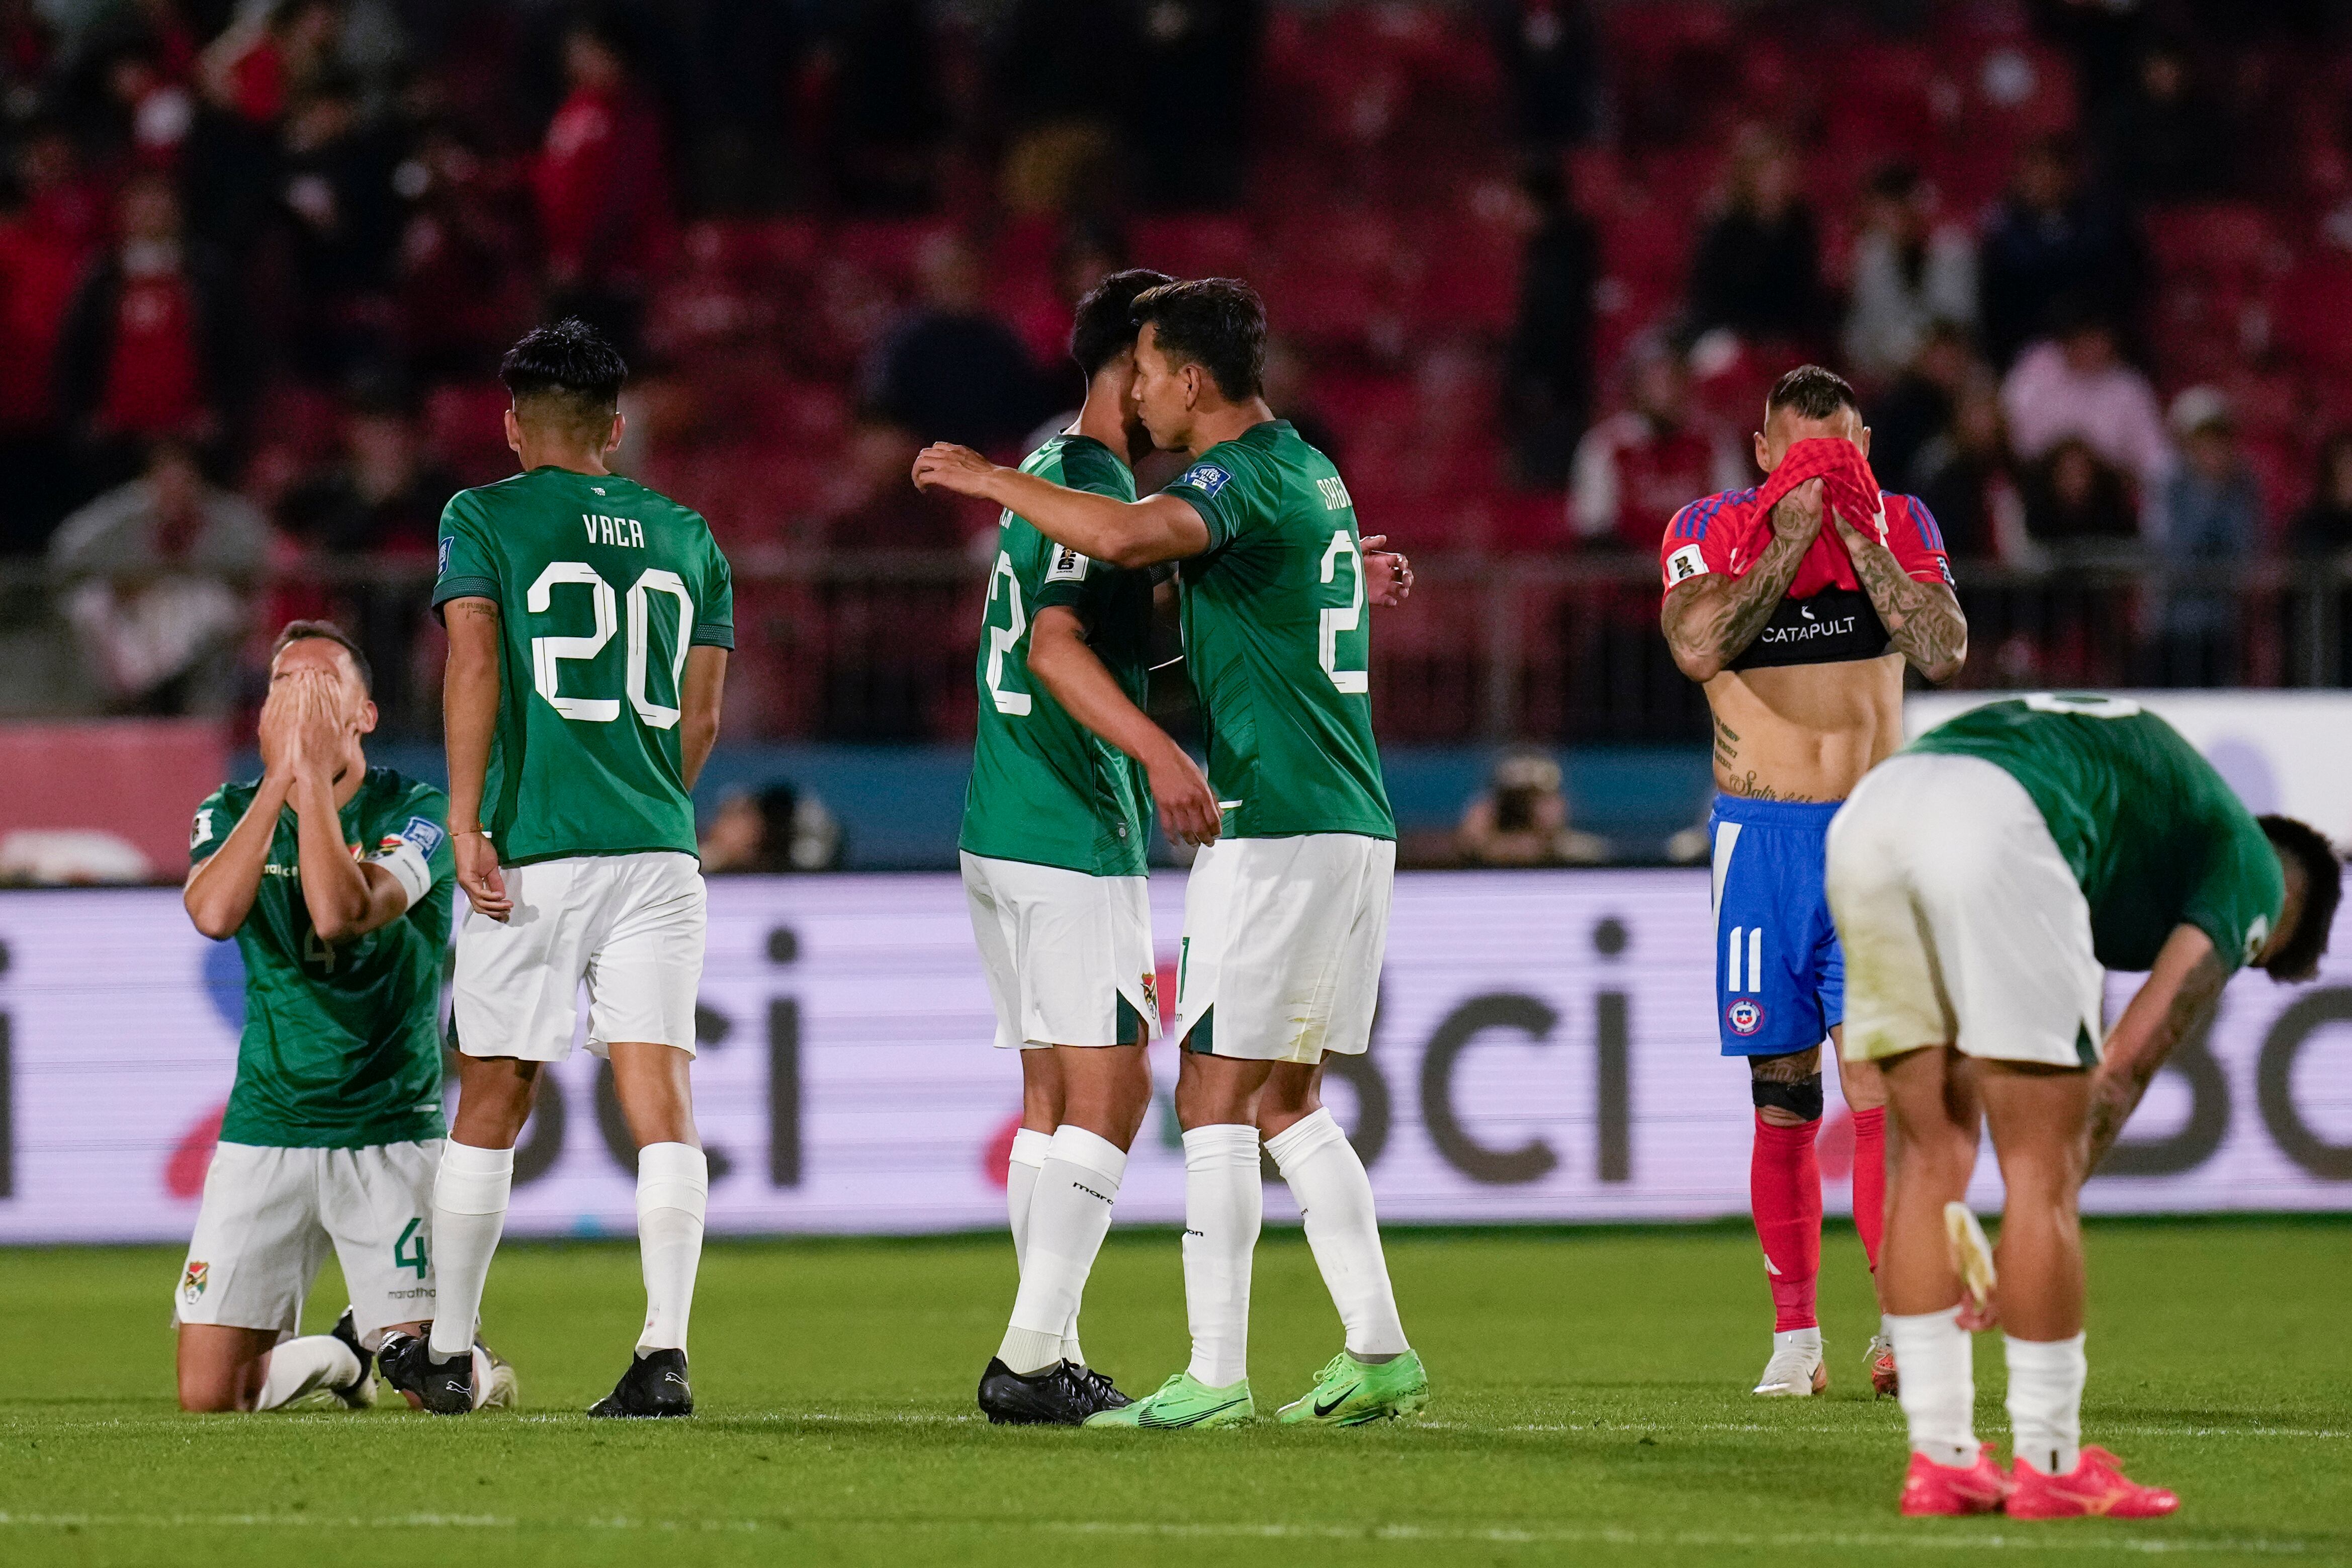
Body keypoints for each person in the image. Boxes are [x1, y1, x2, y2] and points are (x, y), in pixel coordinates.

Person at [915, 278, 1430, 1429]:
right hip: (1350, 819)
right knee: (1290, 1096)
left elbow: (1122, 534)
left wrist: (992, 473)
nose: (1138, 389)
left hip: (1276, 824)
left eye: (1149, 369)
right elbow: (1246, 594)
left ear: (1191, 378)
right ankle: (1379, 1349)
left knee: (1209, 1094)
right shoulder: (1310, 470)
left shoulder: (1226, 478)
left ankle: (1215, 1368)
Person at [1825, 694, 2340, 1517]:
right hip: (1995, 818)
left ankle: (1942, 1459)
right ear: (2287, 906)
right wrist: (2014, 1237)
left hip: (1869, 817)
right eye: (2258, 949)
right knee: (2040, 1171)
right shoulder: (2251, 867)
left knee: (1927, 1155)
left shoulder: (2149, 814)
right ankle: (2051, 1460)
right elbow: (2126, 1066)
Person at [396, 318, 733, 1417]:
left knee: (494, 1083)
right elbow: (703, 712)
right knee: (661, 1095)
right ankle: (666, 1347)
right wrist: (646, 800)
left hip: (536, 847)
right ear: (615, 428)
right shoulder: (690, 534)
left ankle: (448, 1347)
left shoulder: (481, 513)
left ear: (511, 424)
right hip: (658, 847)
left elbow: (478, 658)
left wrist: (467, 815)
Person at [1658, 364, 1968, 1400]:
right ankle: (1796, 1338)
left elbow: (1943, 645)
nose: (1821, 472)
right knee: (1781, 1098)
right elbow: (1698, 646)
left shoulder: (1902, 521)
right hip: (1761, 846)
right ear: (1760, 453)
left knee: (1879, 1088)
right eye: (1800, 455)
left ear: (1867, 446)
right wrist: (1793, 525)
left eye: (1838, 452)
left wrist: (1859, 526)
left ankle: (1900, 1326)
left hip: (1876, 839)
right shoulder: (1706, 525)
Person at [958, 268, 1208, 1425]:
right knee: (1111, 1092)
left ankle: (1044, 1347)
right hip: (1068, 823)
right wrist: (1160, 754)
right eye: (1161, 364)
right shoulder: (1091, 482)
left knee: (1055, 1096)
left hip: (1004, 817)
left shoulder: (1051, 475)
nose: (1172, 392)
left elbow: (1091, 648)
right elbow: (1060, 650)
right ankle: (1031, 1353)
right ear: (1129, 364)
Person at [177, 620, 514, 1414]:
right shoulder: (227, 809)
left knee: (440, 1396)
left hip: (389, 1132)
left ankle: (473, 1365)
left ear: (361, 715)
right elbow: (214, 913)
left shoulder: (420, 811)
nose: (299, 706)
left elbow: (339, 912)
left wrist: (312, 783)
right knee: (211, 1397)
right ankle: (341, 1357)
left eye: (320, 689)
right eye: (282, 690)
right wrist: (280, 783)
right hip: (268, 1126)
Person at [1570, 345, 1745, 552]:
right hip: (1631, 575)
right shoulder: (1606, 445)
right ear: (1635, 389)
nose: (1664, 393)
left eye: (1671, 381)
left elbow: (1737, 520)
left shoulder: (1713, 443)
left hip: (1705, 573)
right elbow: (1593, 528)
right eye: (1655, 383)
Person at [1455, 750, 1609, 866]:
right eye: (1515, 802)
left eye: (1535, 799)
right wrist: (1475, 846)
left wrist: (1548, 847)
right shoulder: (1463, 853)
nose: (1521, 811)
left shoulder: (1586, 857)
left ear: (1559, 803)